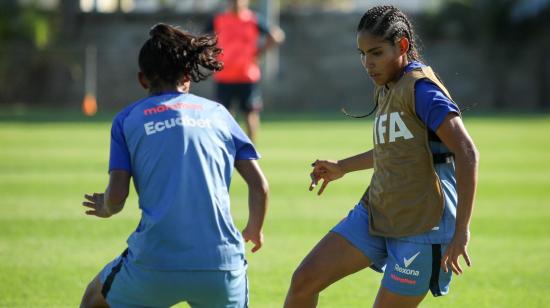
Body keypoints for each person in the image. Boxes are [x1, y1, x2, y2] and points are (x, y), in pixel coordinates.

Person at [284, 5, 479, 308]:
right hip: (378, 212)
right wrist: (342, 167)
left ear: (401, 46)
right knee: (304, 281)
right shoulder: (387, 86)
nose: (367, 63)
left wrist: (461, 231)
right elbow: (397, 148)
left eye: (375, 53)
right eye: (362, 54)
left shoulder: (423, 91)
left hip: (422, 226)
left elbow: (467, 153)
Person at [79, 23, 269, 308]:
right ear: (187, 77)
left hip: (153, 266)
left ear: (143, 79)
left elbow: (117, 198)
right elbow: (260, 186)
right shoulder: (219, 113)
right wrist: (254, 228)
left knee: (94, 299)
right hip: (222, 264)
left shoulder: (127, 119)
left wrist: (106, 207)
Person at [205, 0, 285, 143]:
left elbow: (276, 36)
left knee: (250, 113)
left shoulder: (253, 19)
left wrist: (259, 53)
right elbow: (202, 39)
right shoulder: (219, 20)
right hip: (224, 75)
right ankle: (226, 144)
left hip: (247, 74)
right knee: (224, 114)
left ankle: (251, 148)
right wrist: (211, 55)